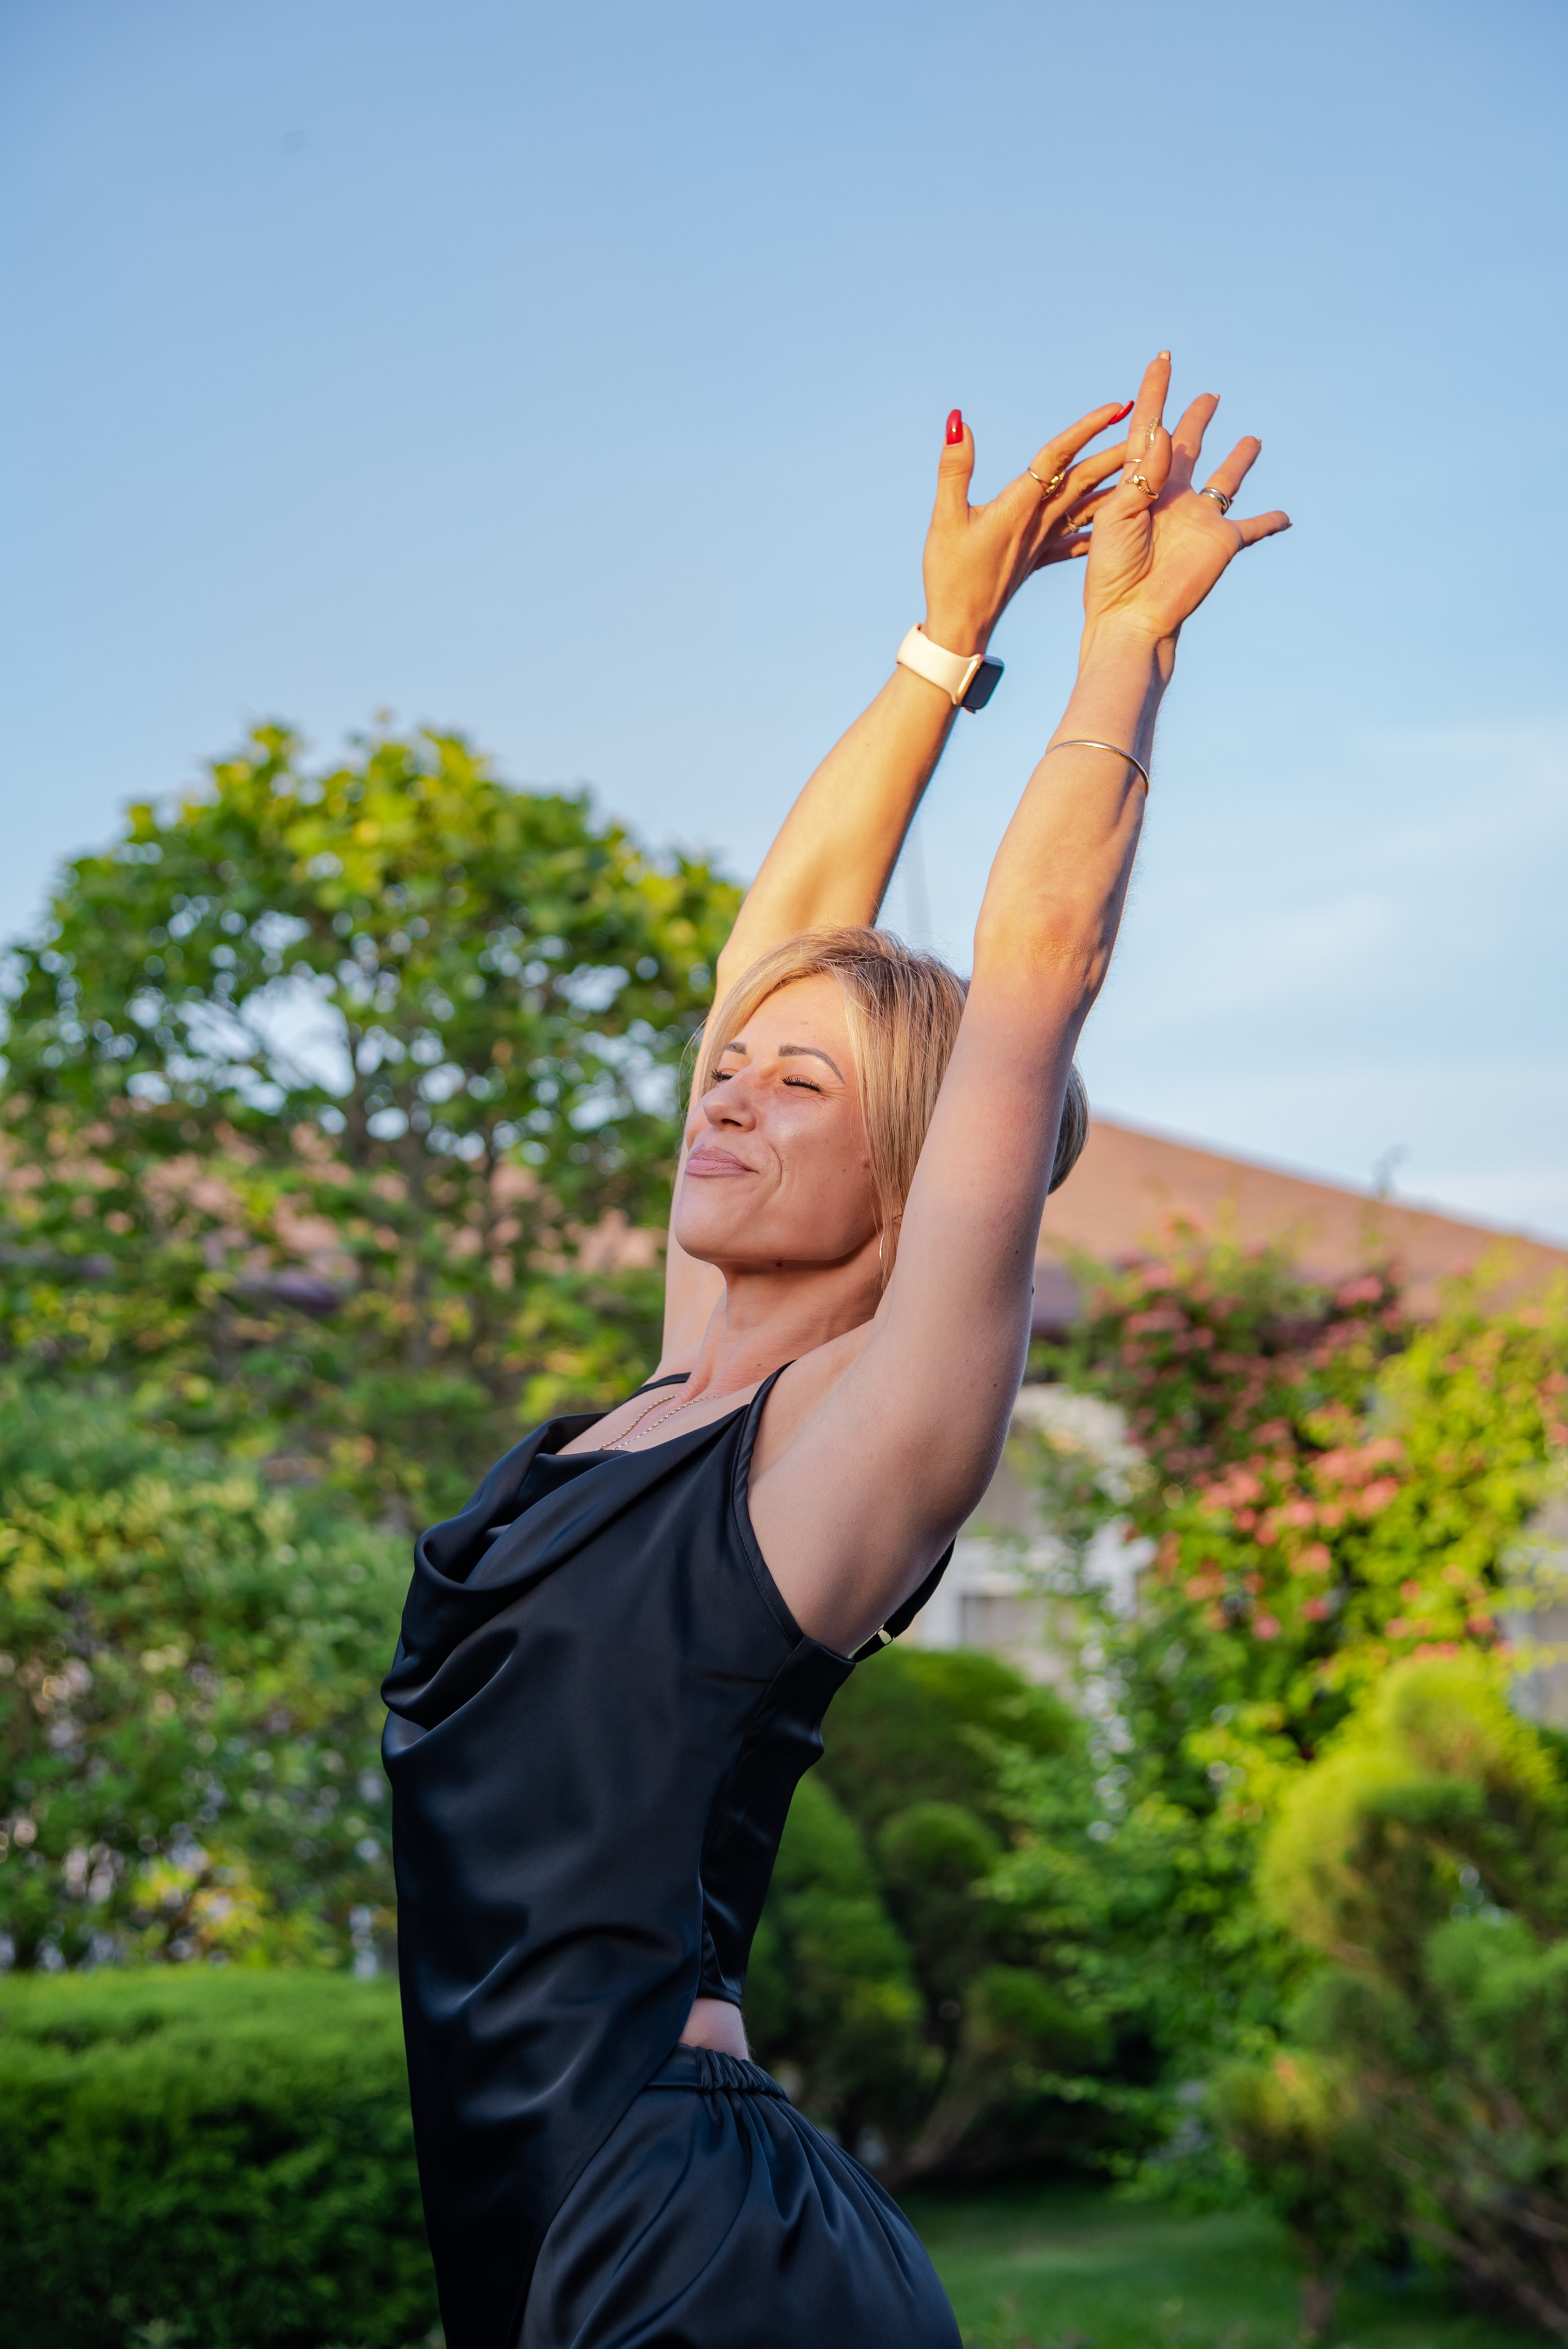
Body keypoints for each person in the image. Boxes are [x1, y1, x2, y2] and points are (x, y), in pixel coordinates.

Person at [383, 351, 1289, 2349]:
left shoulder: (844, 1449)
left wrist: (1118, 647)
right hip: (542, 2222)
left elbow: (1032, 980)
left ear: (907, 1177)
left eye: (800, 1087)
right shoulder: (669, 1390)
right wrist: (941, 638)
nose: (728, 1093)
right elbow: (770, 946)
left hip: (684, 2242)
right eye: (731, 1074)